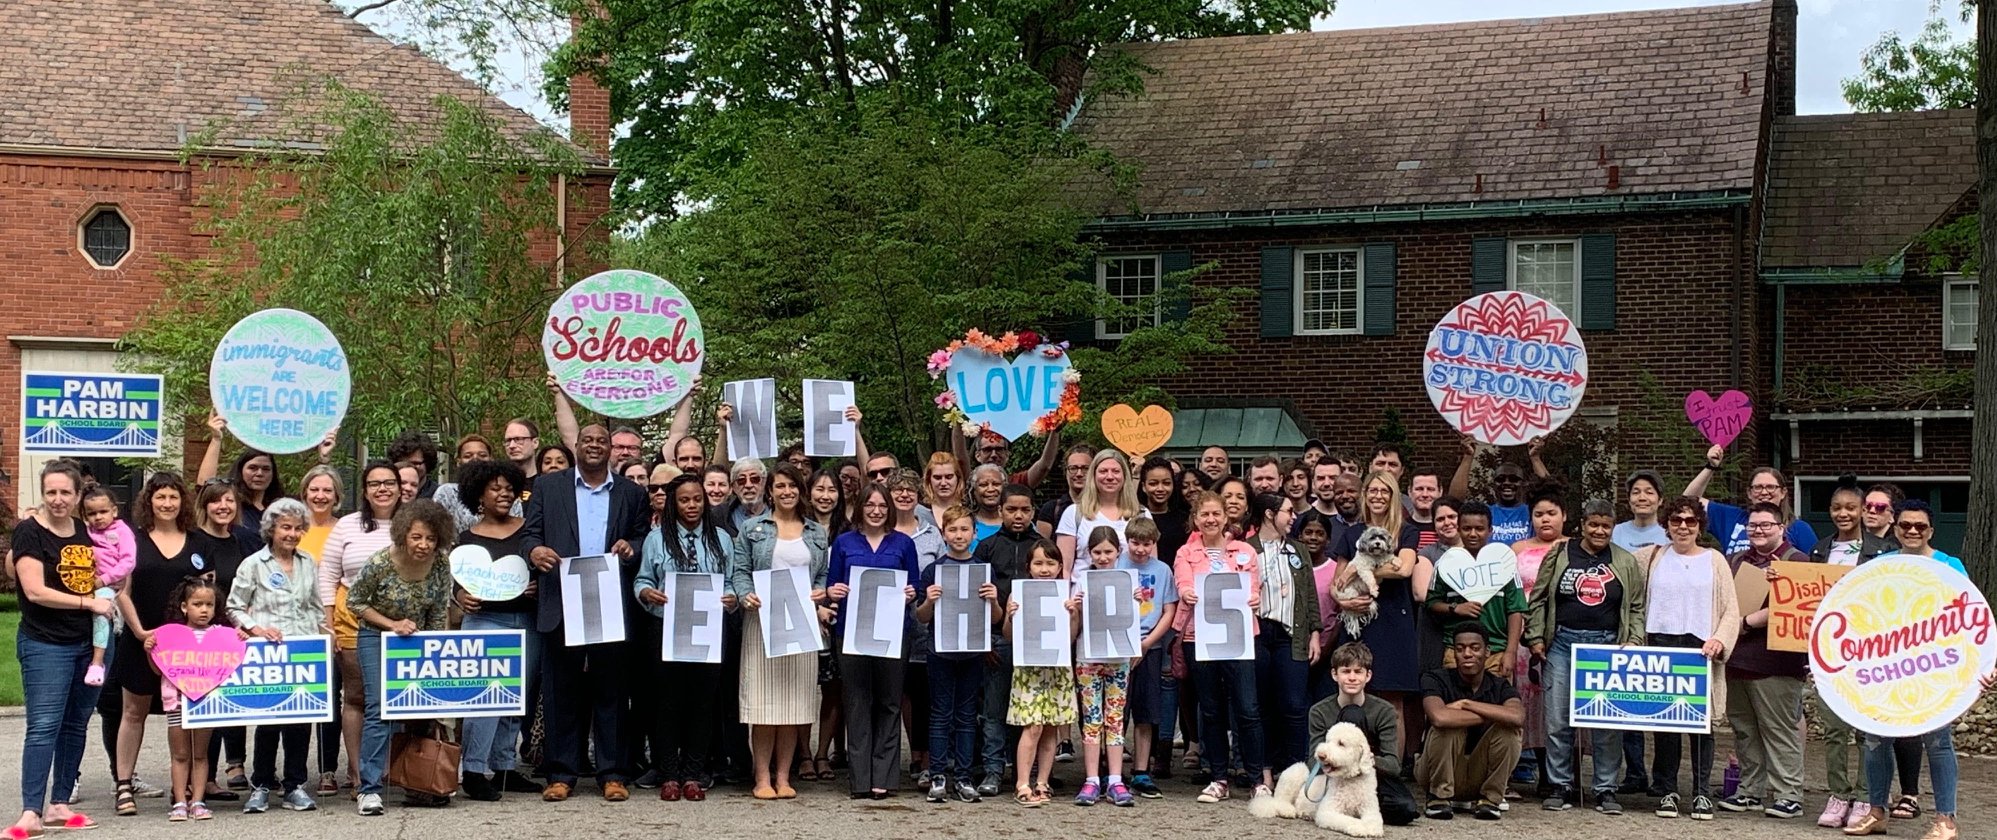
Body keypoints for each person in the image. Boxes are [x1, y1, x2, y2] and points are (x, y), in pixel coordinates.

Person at [519, 424, 651, 803]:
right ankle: (562, 774)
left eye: (602, 442)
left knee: (612, 692)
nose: (594, 446)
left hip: (609, 601)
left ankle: (612, 773)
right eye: (588, 440)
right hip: (561, 601)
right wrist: (534, 552)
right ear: (575, 446)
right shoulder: (549, 486)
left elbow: (644, 535)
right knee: (561, 692)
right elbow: (531, 533)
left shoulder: (630, 492)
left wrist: (633, 546)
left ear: (611, 450)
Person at [1843, 504, 1968, 840]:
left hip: (1934, 670)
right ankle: (1876, 813)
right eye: (1906, 525)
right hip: (1886, 666)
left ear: (1931, 530)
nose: (1913, 531)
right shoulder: (1882, 564)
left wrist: (1980, 665)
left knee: (1938, 742)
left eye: (1921, 526)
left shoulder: (1949, 566)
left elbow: (1969, 622)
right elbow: (1858, 614)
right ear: (1895, 528)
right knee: (1875, 740)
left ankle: (1946, 821)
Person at [12, 461, 114, 837]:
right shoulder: (29, 531)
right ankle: (30, 813)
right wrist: (90, 604)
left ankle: (59, 805)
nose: (58, 499)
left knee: (75, 725)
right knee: (43, 728)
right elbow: (35, 590)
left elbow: (105, 574)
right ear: (43, 493)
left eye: (65, 493)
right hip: (45, 643)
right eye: (51, 492)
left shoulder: (86, 531)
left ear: (76, 495)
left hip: (90, 644)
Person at [1525, 499, 1646, 814]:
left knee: (1606, 722)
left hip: (1607, 647)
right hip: (1563, 643)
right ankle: (1560, 785)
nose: (1600, 531)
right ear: (1582, 524)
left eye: (1606, 525)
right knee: (1557, 719)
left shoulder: (1624, 561)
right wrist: (1536, 636)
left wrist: (1634, 639)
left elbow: (1635, 605)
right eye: (1594, 524)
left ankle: (1606, 789)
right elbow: (1538, 597)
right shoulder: (1560, 554)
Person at [348, 499, 456, 815]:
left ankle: (419, 783)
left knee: (420, 706)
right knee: (379, 707)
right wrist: (392, 624)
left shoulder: (440, 564)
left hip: (418, 640)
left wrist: (434, 646)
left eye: (431, 539)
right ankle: (368, 788)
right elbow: (355, 603)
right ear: (403, 535)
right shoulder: (381, 563)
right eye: (417, 537)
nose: (424, 545)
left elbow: (437, 607)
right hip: (376, 637)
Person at [635, 474, 738, 803]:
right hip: (665, 627)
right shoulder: (656, 538)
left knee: (702, 702)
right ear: (673, 503)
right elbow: (641, 579)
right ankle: (668, 773)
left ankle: (693, 773)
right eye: (684, 500)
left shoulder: (721, 538)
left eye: (697, 499)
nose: (692, 505)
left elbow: (732, 581)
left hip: (708, 627)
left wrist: (732, 598)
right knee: (667, 701)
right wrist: (646, 592)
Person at [729, 462, 828, 800]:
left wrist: (820, 592)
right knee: (764, 706)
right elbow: (739, 571)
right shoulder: (753, 529)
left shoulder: (816, 532)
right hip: (762, 623)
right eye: (780, 486)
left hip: (801, 624)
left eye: (793, 486)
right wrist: (745, 595)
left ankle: (784, 777)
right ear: (770, 491)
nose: (787, 492)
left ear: (801, 491)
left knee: (792, 706)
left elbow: (822, 576)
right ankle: (761, 778)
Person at [1640, 496, 1740, 820]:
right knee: (1665, 724)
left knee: (1702, 726)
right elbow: (1630, 595)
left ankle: (1701, 792)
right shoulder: (1649, 558)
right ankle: (1667, 790)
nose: (1683, 526)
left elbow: (1731, 611)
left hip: (1700, 648)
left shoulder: (1715, 560)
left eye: (1690, 521)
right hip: (1660, 643)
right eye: (1676, 520)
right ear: (1666, 525)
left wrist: (1719, 641)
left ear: (1699, 525)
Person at [449, 459, 542, 802]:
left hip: (527, 621)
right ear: (479, 495)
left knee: (517, 698)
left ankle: (504, 766)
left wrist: (537, 586)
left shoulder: (530, 529)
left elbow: (542, 566)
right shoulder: (466, 539)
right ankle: (473, 770)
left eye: (508, 488)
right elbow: (456, 581)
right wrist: (459, 596)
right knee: (483, 698)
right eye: (495, 488)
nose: (503, 494)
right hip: (486, 621)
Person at [1811, 479, 1902, 829]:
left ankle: (1867, 796)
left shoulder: (1884, 551)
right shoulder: (1820, 550)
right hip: (1828, 654)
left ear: (1863, 510)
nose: (1844, 513)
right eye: (1837, 508)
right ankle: (1838, 794)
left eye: (1851, 507)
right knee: (1834, 729)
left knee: (1868, 730)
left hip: (1869, 653)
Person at [826, 483, 923, 799]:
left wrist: (911, 593)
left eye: (882, 505)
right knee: (856, 701)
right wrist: (834, 592)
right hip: (851, 632)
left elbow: (916, 585)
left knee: (889, 702)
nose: (877, 510)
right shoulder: (844, 543)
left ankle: (884, 777)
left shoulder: (903, 544)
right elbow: (832, 585)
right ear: (861, 507)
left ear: (890, 509)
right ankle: (860, 779)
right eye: (870, 505)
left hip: (894, 632)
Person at [227, 498, 323, 814]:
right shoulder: (254, 564)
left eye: (297, 528)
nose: (292, 534)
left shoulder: (309, 561)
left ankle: (295, 786)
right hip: (269, 653)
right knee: (268, 720)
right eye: (285, 527)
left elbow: (314, 605)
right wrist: (256, 628)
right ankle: (262, 785)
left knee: (300, 721)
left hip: (304, 652)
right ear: (271, 529)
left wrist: (325, 634)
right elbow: (234, 606)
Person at [315, 462, 400, 801]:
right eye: (374, 483)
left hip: (403, 623)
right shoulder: (348, 525)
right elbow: (327, 574)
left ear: (400, 487)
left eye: (389, 482)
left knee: (397, 697)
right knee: (357, 696)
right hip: (353, 618)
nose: (383, 489)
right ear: (364, 490)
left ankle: (392, 768)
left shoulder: (413, 522)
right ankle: (357, 770)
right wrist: (328, 622)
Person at [1174, 491, 1265, 804]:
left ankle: (1257, 780)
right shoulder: (1186, 553)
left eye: (1216, 514)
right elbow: (1183, 582)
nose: (1211, 520)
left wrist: (1254, 598)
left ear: (1226, 517)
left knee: (1248, 709)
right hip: (1198, 637)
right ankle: (1218, 778)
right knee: (1210, 709)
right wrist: (1187, 591)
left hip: (1238, 637)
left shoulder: (1244, 551)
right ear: (1196, 520)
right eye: (1204, 515)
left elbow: (1253, 587)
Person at [1329, 471, 1428, 755]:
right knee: (1352, 698)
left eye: (1385, 491)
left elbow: (1405, 568)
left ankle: (1389, 772)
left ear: (1394, 496)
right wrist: (1343, 601)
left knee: (1392, 703)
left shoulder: (1407, 532)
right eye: (1372, 490)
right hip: (1358, 622)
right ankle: (1353, 767)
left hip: (1394, 623)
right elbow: (1337, 585)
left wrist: (1360, 568)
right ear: (1365, 495)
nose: (1378, 496)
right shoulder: (1351, 533)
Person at [1722, 501, 1809, 822]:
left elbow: (1800, 609)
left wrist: (1749, 622)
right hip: (1736, 660)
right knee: (1744, 729)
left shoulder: (1796, 562)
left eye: (1766, 525)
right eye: (1753, 526)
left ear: (1781, 528)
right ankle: (1750, 791)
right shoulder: (1735, 561)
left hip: (1778, 664)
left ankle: (1789, 794)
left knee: (1778, 730)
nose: (1758, 531)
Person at [914, 505, 996, 804]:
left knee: (966, 716)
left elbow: (995, 617)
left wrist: (994, 599)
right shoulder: (933, 570)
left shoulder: (983, 570)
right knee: (939, 714)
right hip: (940, 652)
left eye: (964, 529)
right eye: (953, 529)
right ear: (943, 533)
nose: (958, 535)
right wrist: (930, 601)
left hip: (972, 653)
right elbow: (922, 618)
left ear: (974, 533)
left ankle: (963, 776)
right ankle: (938, 774)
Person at [971, 485, 1040, 797]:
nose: (1018, 515)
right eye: (1012, 509)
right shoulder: (986, 547)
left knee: (1029, 710)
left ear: (1033, 512)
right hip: (997, 639)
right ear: (1000, 511)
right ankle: (993, 770)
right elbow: (974, 599)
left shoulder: (1042, 547)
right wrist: (983, 639)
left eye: (1025, 510)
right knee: (994, 710)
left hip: (1035, 643)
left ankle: (1025, 771)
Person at [1304, 642, 1420, 827]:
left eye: (1358, 672)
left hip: (1372, 775)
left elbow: (1393, 765)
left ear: (1368, 676)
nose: (1352, 678)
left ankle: (1363, 807)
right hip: (1335, 777)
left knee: (1405, 808)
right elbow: (1313, 761)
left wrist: (1363, 759)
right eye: (1346, 671)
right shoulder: (1319, 711)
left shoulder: (1385, 710)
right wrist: (1336, 762)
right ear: (1335, 674)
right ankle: (1347, 810)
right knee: (1352, 713)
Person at [1417, 626, 1526, 821]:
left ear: (1487, 652)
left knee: (1510, 731)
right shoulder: (1435, 678)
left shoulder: (1500, 686)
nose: (1467, 654)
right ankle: (1439, 797)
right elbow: (1439, 717)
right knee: (1448, 728)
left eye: (1475, 648)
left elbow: (1517, 717)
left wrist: (1467, 704)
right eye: (1460, 649)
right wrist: (1495, 713)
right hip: (1435, 771)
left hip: (1479, 773)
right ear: (1454, 653)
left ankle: (1490, 800)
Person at [1246, 493, 1320, 773]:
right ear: (1269, 514)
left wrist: (1315, 632)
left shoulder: (1298, 550)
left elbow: (1309, 595)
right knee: (1261, 703)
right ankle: (1264, 770)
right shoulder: (1245, 548)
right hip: (1257, 632)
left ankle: (1295, 770)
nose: (1293, 517)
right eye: (1288, 512)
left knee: (1294, 704)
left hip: (1291, 632)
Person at [1002, 539, 1079, 807]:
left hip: (1057, 669)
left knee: (1050, 729)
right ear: (1029, 567)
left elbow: (1069, 639)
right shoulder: (1018, 594)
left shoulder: (1065, 595)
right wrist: (1010, 616)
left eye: (1050, 563)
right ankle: (1022, 782)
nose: (1044, 569)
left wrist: (1073, 616)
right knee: (1032, 726)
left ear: (1060, 566)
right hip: (1029, 670)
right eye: (1038, 563)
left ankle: (1043, 782)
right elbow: (1008, 636)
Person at [191, 480, 253, 798]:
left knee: (228, 706)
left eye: (228, 500)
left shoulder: (242, 541)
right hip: (201, 636)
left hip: (234, 632)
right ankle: (201, 779)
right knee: (203, 708)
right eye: (215, 501)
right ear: (205, 505)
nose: (223, 507)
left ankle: (220, 773)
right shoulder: (194, 541)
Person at [1070, 526, 1138, 807]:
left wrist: (1137, 603)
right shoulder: (1083, 582)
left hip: (1119, 658)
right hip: (1088, 656)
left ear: (1118, 552)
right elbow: (1074, 626)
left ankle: (1115, 779)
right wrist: (1075, 609)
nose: (1103, 556)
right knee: (1091, 718)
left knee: (1116, 719)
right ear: (1090, 554)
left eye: (1108, 551)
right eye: (1097, 552)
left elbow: (1137, 618)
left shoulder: (1127, 581)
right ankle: (1091, 779)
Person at [149, 577, 224, 822]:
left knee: (201, 754)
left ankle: (199, 801)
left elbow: (231, 661)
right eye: (197, 604)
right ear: (184, 607)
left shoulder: (222, 636)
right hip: (177, 701)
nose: (204, 610)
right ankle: (180, 801)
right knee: (180, 754)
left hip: (205, 701)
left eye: (209, 605)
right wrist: (151, 650)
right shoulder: (171, 636)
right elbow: (159, 669)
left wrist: (242, 640)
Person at [1425, 503, 1525, 679]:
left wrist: (1511, 651)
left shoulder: (1505, 564)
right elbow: (1431, 603)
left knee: (1496, 705)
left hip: (1496, 651)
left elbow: (1515, 609)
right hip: (1456, 651)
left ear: (1490, 530)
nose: (1472, 534)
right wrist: (1455, 608)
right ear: (1458, 529)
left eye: (1479, 528)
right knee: (1455, 705)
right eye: (1466, 528)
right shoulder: (1445, 564)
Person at [887, 469, 940, 778]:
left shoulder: (932, 534)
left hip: (923, 627)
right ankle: (911, 752)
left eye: (911, 491)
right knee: (901, 693)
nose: (905, 495)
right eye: (898, 491)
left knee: (924, 692)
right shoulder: (880, 531)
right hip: (886, 627)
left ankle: (927, 757)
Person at [1120, 517, 1178, 798]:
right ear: (1127, 541)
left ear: (1154, 543)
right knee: (1117, 712)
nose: (1140, 549)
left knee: (1146, 713)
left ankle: (1141, 771)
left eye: (1146, 544)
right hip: (1118, 645)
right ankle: (1114, 769)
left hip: (1150, 646)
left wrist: (1146, 643)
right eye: (1135, 543)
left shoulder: (1162, 570)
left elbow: (1169, 611)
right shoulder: (1116, 564)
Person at [1682, 446, 1819, 555]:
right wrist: (1711, 467)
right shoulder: (1732, 517)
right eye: (1758, 487)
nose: (1764, 492)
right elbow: (1688, 502)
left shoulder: (1798, 528)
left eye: (1771, 487)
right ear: (1749, 493)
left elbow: (1816, 569)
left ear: (1783, 493)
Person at [1055, 449, 1145, 574]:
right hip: (1083, 592)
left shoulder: (1140, 514)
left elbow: (1151, 565)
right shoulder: (1073, 513)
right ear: (1093, 475)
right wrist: (1067, 593)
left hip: (1129, 592)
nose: (1109, 476)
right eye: (1103, 471)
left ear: (1125, 475)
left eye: (1116, 471)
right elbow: (1064, 568)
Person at [80, 487, 135, 687]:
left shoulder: (122, 532)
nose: (98, 517)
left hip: (108, 585)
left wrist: (104, 579)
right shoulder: (86, 531)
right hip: (85, 583)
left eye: (103, 512)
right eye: (92, 514)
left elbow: (128, 562)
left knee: (100, 611)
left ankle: (97, 662)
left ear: (114, 511)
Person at [195, 413, 289, 524]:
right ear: (241, 470)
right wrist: (216, 439)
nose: (259, 473)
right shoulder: (231, 504)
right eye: (252, 468)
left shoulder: (281, 508)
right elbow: (205, 486)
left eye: (266, 469)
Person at [1137, 457, 1191, 563]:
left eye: (1166, 483)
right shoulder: (1135, 518)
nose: (1160, 489)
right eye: (1153, 483)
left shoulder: (1186, 521)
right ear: (1143, 486)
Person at [1036, 444, 1096, 538]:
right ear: (1066, 471)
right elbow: (1042, 549)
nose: (1079, 474)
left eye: (1085, 468)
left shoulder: (1105, 508)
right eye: (1073, 468)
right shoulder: (1051, 509)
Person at [1613, 471, 1668, 552]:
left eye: (1649, 492)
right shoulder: (1615, 533)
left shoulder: (1669, 534)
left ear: (1660, 500)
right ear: (1629, 500)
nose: (1642, 498)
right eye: (1636, 492)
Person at [384, 430, 442, 500]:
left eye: (416, 463)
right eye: (403, 463)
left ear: (427, 463)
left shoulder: (439, 496)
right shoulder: (385, 494)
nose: (409, 467)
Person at [921, 452, 966, 529]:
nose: (943, 483)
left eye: (949, 477)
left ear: (958, 478)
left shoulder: (970, 508)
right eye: (937, 478)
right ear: (929, 480)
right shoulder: (920, 510)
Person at [966, 464, 1007, 548]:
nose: (990, 489)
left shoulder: (1019, 524)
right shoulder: (964, 524)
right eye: (983, 485)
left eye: (996, 484)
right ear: (974, 491)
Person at [1408, 469, 1443, 549]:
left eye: (1430, 489)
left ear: (1440, 491)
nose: (1425, 494)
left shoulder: (1448, 528)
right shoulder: (1400, 528)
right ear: (1409, 491)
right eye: (1419, 489)